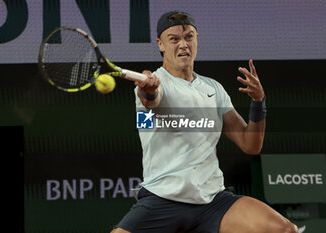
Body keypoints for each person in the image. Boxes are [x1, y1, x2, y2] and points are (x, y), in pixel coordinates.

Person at [112, 11, 299, 233]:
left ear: (197, 39)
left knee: (284, 230)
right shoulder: (152, 85)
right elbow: (151, 101)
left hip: (213, 202)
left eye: (189, 37)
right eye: (174, 39)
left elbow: (251, 144)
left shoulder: (214, 89)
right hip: (162, 200)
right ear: (160, 44)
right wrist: (149, 91)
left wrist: (259, 102)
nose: (183, 44)